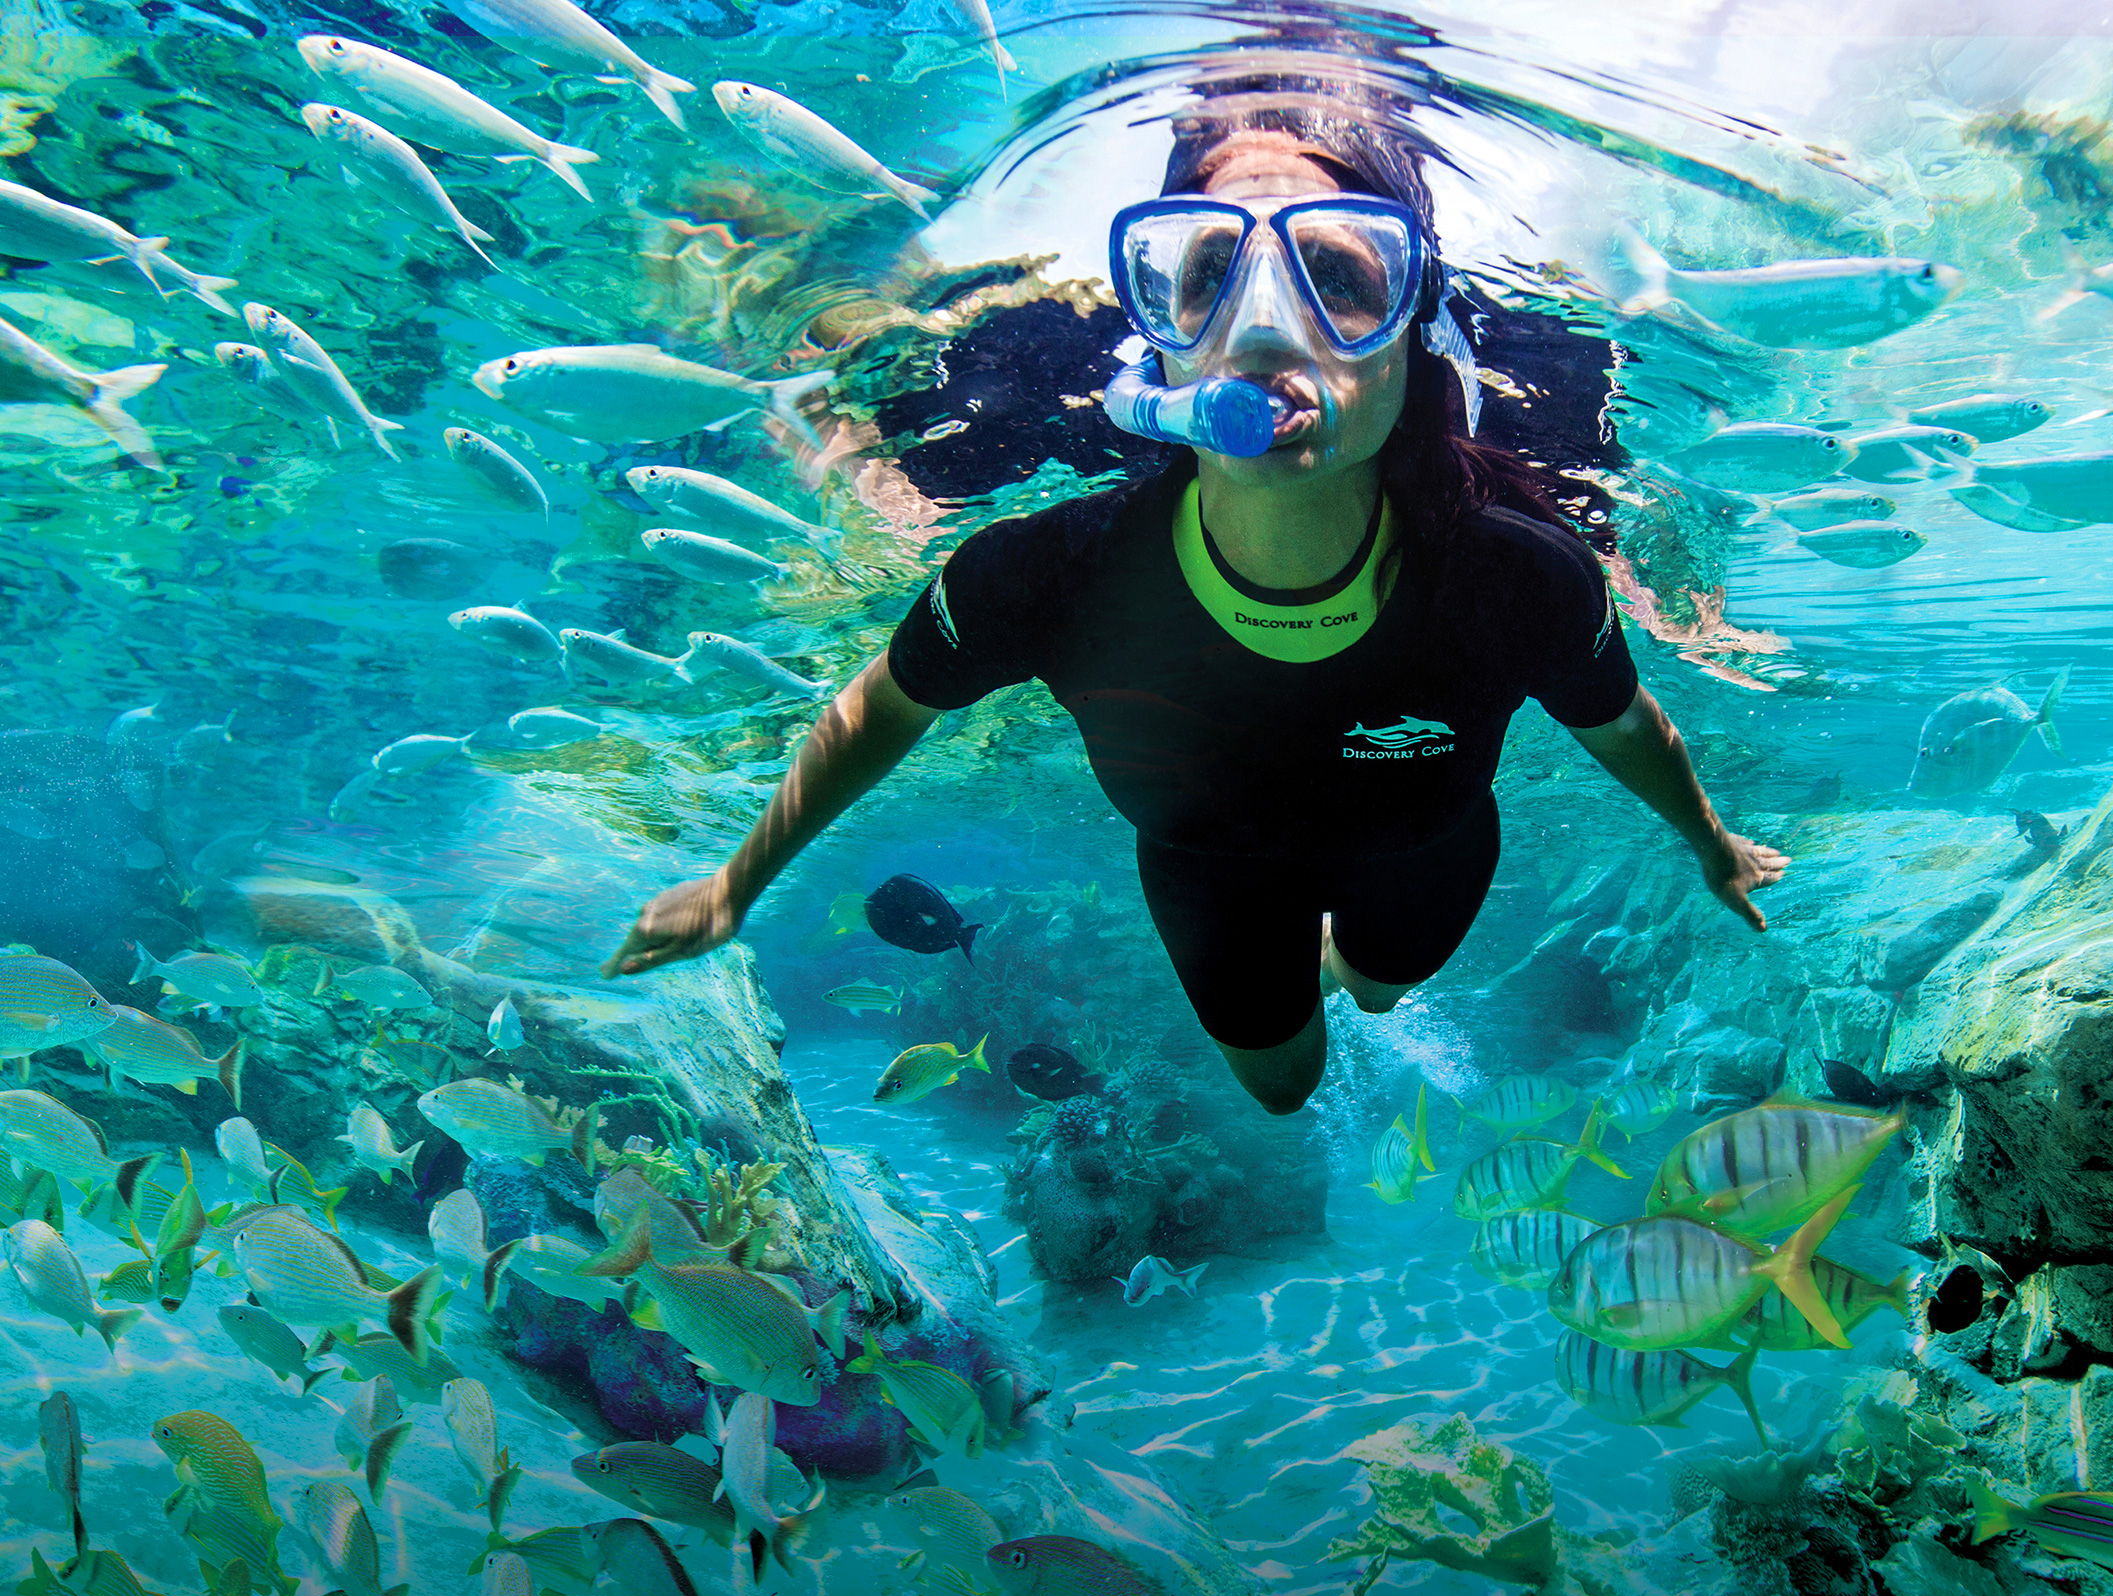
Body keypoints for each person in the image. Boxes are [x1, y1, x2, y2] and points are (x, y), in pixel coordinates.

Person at [604, 91, 1787, 1115]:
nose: (1265, 326)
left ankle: (1344, 967)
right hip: (1205, 872)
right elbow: (885, 707)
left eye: (1336, 275)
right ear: (1153, 340)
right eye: (1211, 275)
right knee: (1281, 1089)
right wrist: (733, 883)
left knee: (1374, 987)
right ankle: (1304, 993)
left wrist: (1711, 846)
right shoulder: (1046, 574)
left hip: (1426, 853)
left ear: (1414, 327)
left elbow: (1626, 721)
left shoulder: (1518, 574)